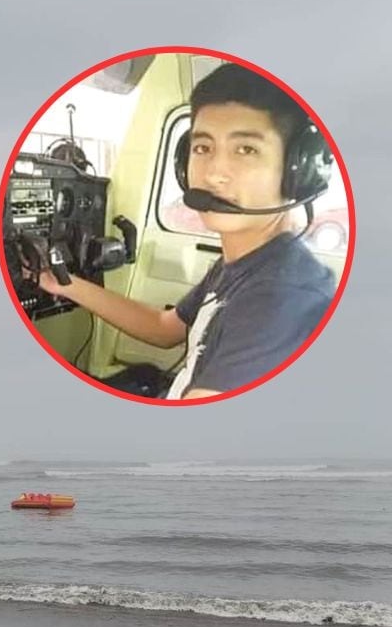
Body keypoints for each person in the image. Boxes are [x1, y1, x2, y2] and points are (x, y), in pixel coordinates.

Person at [32, 63, 335, 399]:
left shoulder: (283, 300)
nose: (214, 173)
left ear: (299, 173)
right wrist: (64, 284)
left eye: (246, 150)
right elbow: (164, 329)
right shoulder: (248, 261)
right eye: (203, 148)